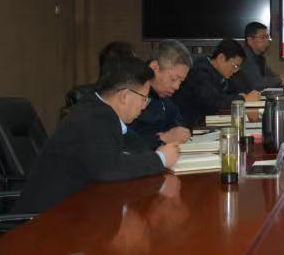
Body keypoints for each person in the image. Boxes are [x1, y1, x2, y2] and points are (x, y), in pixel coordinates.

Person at [15, 55, 179, 213]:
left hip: (73, 209)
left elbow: (134, 146)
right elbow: (109, 168)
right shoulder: (95, 117)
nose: (144, 107)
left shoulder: (101, 110)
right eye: (144, 99)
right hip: (45, 220)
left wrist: (157, 154)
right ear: (124, 96)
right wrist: (160, 159)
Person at [172, 38, 261, 128]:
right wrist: (243, 99)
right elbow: (214, 102)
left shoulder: (220, 72)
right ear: (221, 58)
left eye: (238, 68)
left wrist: (245, 96)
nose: (235, 71)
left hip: (202, 124)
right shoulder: (200, 72)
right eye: (235, 66)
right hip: (187, 126)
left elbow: (238, 90)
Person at [128, 40, 193, 150]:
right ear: (155, 67)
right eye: (173, 79)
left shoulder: (162, 98)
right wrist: (163, 138)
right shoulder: (131, 94)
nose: (177, 86)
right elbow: (124, 144)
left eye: (181, 81)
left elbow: (179, 123)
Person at [230, 22, 280, 92]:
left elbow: (272, 76)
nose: (267, 41)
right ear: (250, 40)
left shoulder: (259, 57)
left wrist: (278, 79)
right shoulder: (244, 57)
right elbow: (258, 84)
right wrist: (279, 79)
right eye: (263, 38)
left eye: (267, 37)